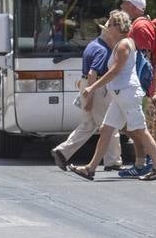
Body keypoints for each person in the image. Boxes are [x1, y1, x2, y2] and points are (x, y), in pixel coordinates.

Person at [69, 11, 156, 181]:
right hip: (121, 94)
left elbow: (115, 71)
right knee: (106, 129)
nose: (107, 26)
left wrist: (92, 87)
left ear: (118, 26)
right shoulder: (122, 43)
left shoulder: (123, 45)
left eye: (111, 23)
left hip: (127, 93)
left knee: (141, 130)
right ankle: (90, 168)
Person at [51, 21, 123, 172]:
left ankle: (62, 152)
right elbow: (93, 73)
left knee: (88, 124)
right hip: (97, 87)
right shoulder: (102, 50)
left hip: (88, 85)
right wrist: (89, 98)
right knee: (110, 123)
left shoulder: (93, 44)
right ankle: (113, 161)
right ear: (109, 33)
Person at [118, 0, 156, 166]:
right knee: (138, 126)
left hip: (142, 86)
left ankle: (152, 161)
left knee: (143, 126)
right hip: (143, 85)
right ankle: (144, 162)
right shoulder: (140, 25)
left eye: (124, 3)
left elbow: (143, 61)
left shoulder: (140, 27)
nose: (122, 6)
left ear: (133, 6)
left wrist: (141, 86)